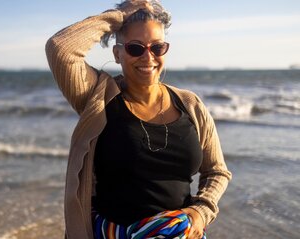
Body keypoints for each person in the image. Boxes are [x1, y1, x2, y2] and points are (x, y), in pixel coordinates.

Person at [45, 0, 232, 238]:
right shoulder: (98, 97)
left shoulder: (190, 104)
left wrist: (201, 210)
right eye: (135, 48)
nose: (148, 57)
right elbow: (60, 48)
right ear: (117, 53)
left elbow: (217, 171)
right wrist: (117, 16)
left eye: (157, 47)